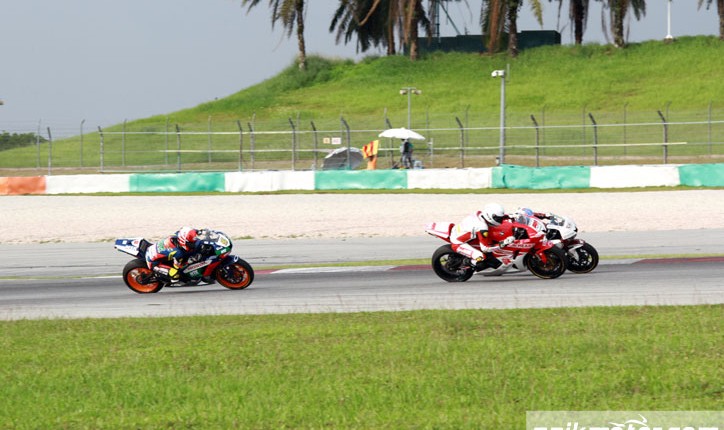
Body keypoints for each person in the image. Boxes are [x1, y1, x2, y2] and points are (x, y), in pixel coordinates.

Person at [450, 203, 515, 269]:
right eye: (498, 218)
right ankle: (465, 263)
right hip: (458, 243)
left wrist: (508, 216)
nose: (500, 220)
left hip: (459, 231)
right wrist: (504, 243)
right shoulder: (482, 227)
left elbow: (496, 217)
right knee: (481, 259)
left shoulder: (480, 214)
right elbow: (485, 248)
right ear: (489, 216)